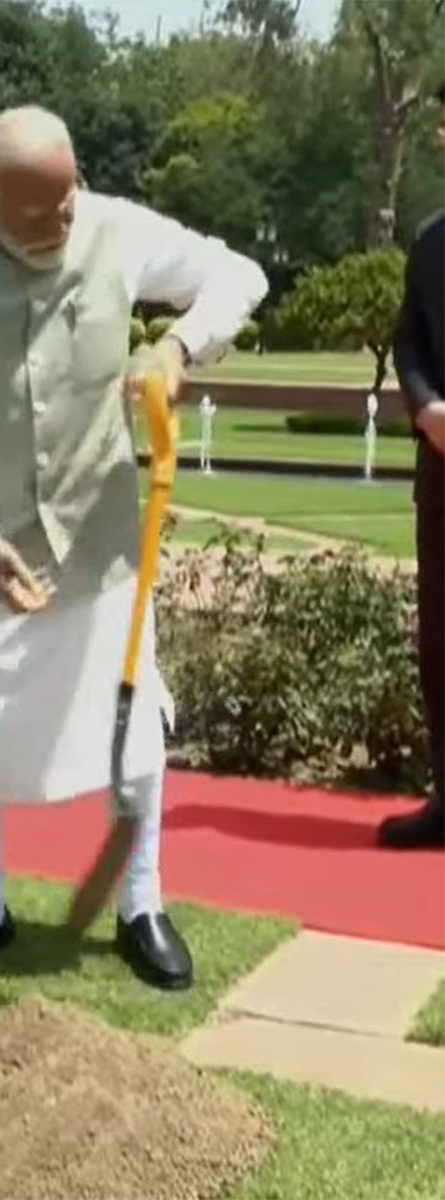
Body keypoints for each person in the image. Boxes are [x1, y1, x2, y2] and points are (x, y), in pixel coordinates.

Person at [0, 105, 267, 991]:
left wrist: (177, 346)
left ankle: (142, 902)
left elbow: (240, 275)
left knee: (132, 729)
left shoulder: (116, 230)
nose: (59, 226)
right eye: (34, 215)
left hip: (96, 540)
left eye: (67, 202)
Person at [378, 82, 444, 851]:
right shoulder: (431, 242)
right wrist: (426, 407)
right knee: (440, 636)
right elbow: (411, 342)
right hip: (442, 465)